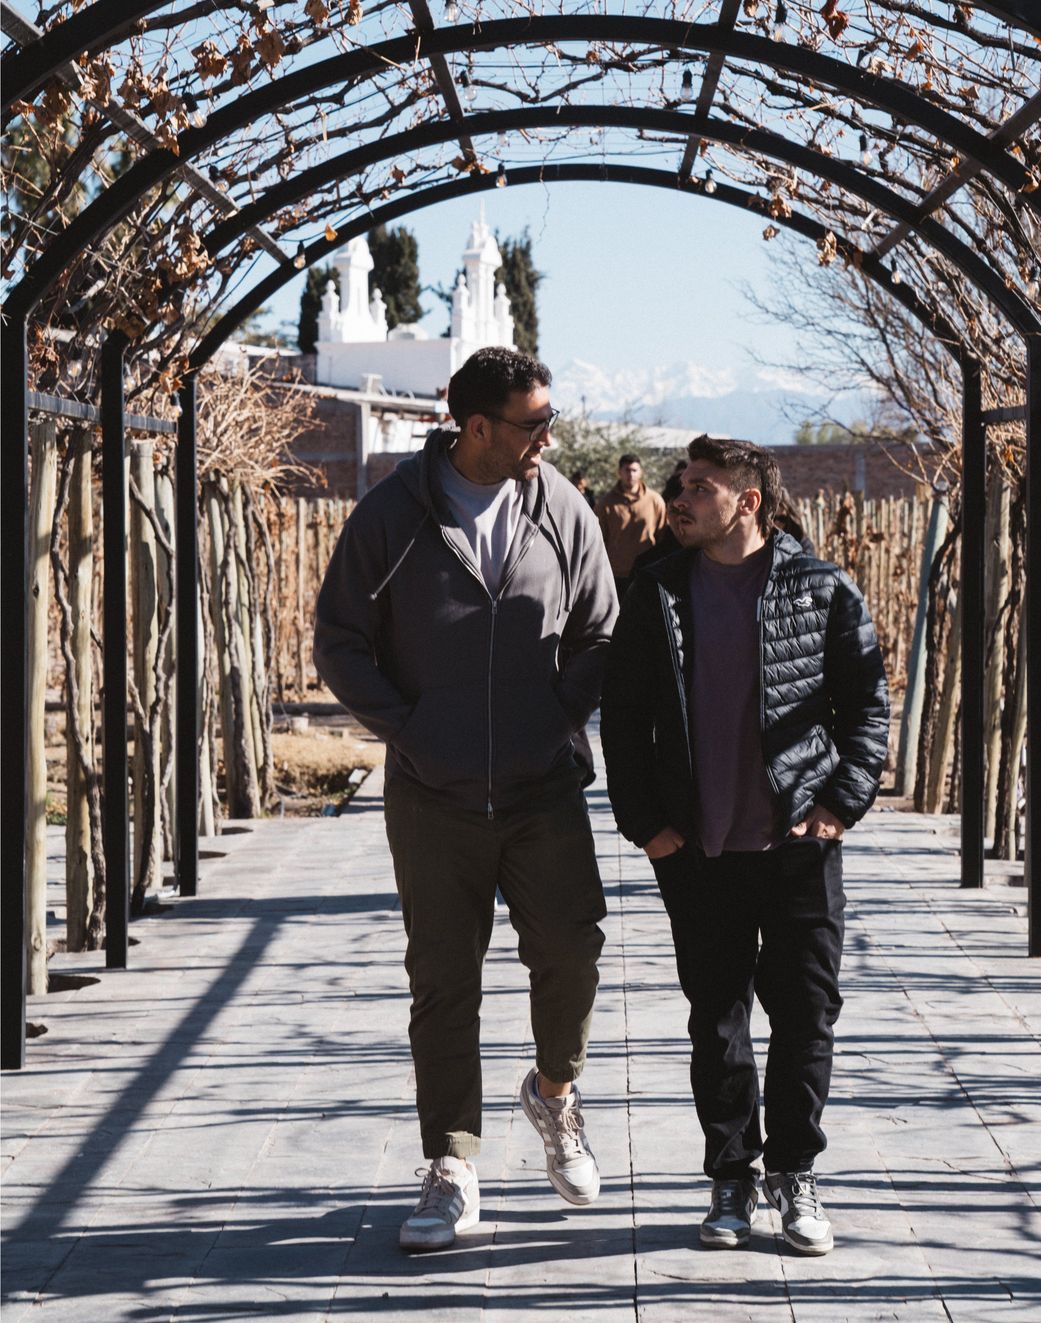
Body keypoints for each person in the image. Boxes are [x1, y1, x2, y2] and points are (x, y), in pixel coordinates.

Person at [314, 347, 618, 1252]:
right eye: (533, 423)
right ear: (475, 425)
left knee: (572, 950)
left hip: (542, 787)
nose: (548, 437)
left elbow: (601, 630)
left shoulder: (561, 507)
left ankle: (554, 1094)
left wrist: (555, 719)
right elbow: (339, 639)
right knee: (444, 982)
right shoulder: (393, 515)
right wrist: (412, 731)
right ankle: (451, 1164)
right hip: (432, 795)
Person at [600, 435, 889, 1256]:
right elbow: (622, 716)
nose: (681, 498)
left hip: (797, 845)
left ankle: (794, 1172)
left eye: (701, 487)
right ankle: (730, 1176)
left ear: (748, 502)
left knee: (805, 1013)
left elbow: (867, 706)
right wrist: (647, 824)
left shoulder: (821, 588)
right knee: (717, 1018)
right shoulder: (657, 591)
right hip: (699, 848)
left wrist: (837, 806)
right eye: (681, 484)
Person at [595, 452, 668, 595]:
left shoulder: (655, 500)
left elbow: (662, 536)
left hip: (647, 572)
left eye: (634, 470)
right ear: (619, 472)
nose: (631, 474)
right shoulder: (605, 503)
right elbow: (598, 539)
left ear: (641, 472)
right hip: (615, 574)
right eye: (627, 470)